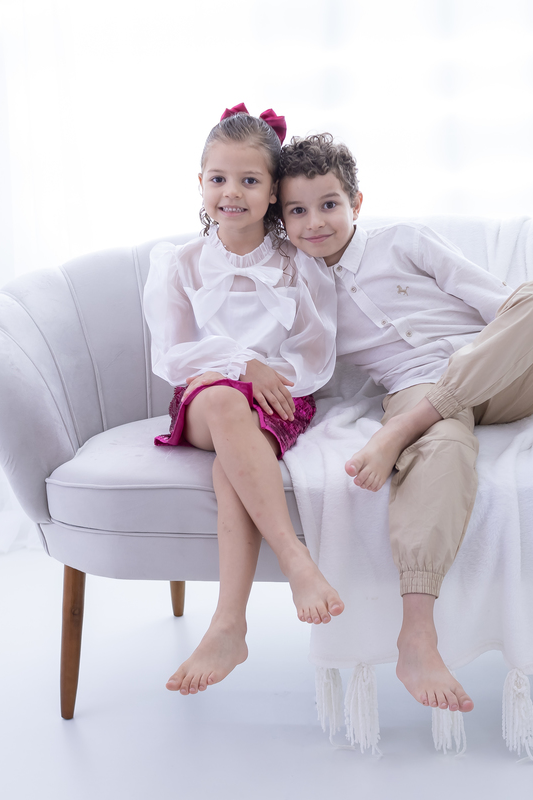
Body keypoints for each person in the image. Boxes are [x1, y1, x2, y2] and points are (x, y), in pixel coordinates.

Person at [278, 133, 533, 715]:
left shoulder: (404, 242)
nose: (315, 221)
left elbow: (502, 305)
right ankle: (417, 636)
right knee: (445, 449)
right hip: (414, 388)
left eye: (329, 204)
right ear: (282, 219)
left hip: (500, 372)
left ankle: (400, 432)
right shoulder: (296, 286)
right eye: (297, 210)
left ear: (356, 203)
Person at [143, 106, 344, 697]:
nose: (232, 192)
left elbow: (316, 353)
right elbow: (173, 355)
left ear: (273, 192)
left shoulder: (297, 264)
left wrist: (268, 376)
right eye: (219, 178)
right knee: (228, 408)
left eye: (250, 181)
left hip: (281, 399)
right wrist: (240, 365)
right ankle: (295, 557)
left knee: (234, 461)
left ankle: (229, 625)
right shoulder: (178, 264)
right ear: (200, 183)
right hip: (206, 397)